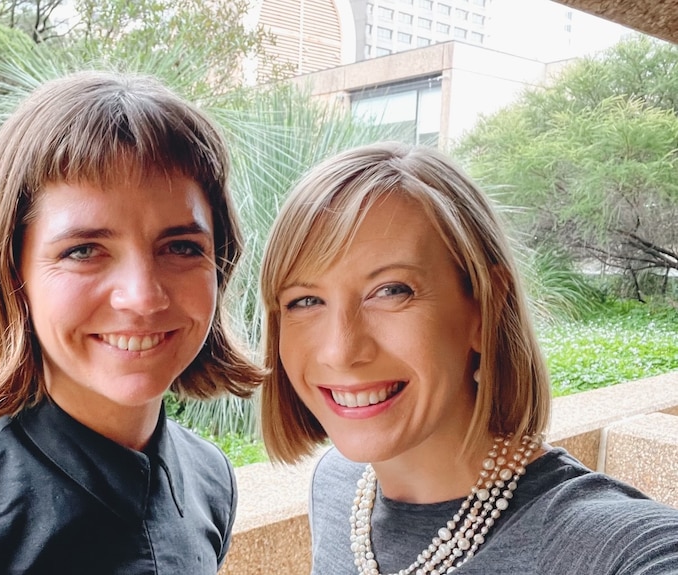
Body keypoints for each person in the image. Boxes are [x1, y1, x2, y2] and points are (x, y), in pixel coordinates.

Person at [0, 70, 262, 574]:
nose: (142, 297)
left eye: (182, 247)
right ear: (15, 273)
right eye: (84, 251)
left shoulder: (210, 479)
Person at [259, 141, 678, 575]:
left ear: (486, 307)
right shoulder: (337, 486)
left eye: (392, 290)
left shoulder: (612, 549)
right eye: (305, 300)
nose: (340, 351)